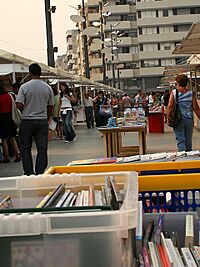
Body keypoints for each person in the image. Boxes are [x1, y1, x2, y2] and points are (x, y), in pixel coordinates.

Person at [16, 63, 54, 175]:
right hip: (42, 120)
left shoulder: (24, 87)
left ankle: (29, 172)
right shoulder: (47, 88)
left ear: (30, 73)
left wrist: (26, 109)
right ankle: (40, 171)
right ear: (40, 73)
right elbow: (50, 106)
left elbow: (19, 104)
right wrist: (47, 118)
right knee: (42, 148)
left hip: (27, 120)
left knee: (25, 147)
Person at [167, 74, 200, 152]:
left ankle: (183, 159)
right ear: (187, 83)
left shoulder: (174, 93)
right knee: (188, 140)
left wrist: (168, 118)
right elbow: (195, 108)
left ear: (177, 83)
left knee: (180, 139)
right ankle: (189, 157)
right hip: (189, 120)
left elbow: (170, 106)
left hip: (178, 119)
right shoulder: (191, 94)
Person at [0, 81, 21, 163]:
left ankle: (6, 157)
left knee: (4, 139)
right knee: (12, 138)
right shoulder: (9, 96)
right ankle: (17, 155)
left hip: (2, 118)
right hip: (10, 117)